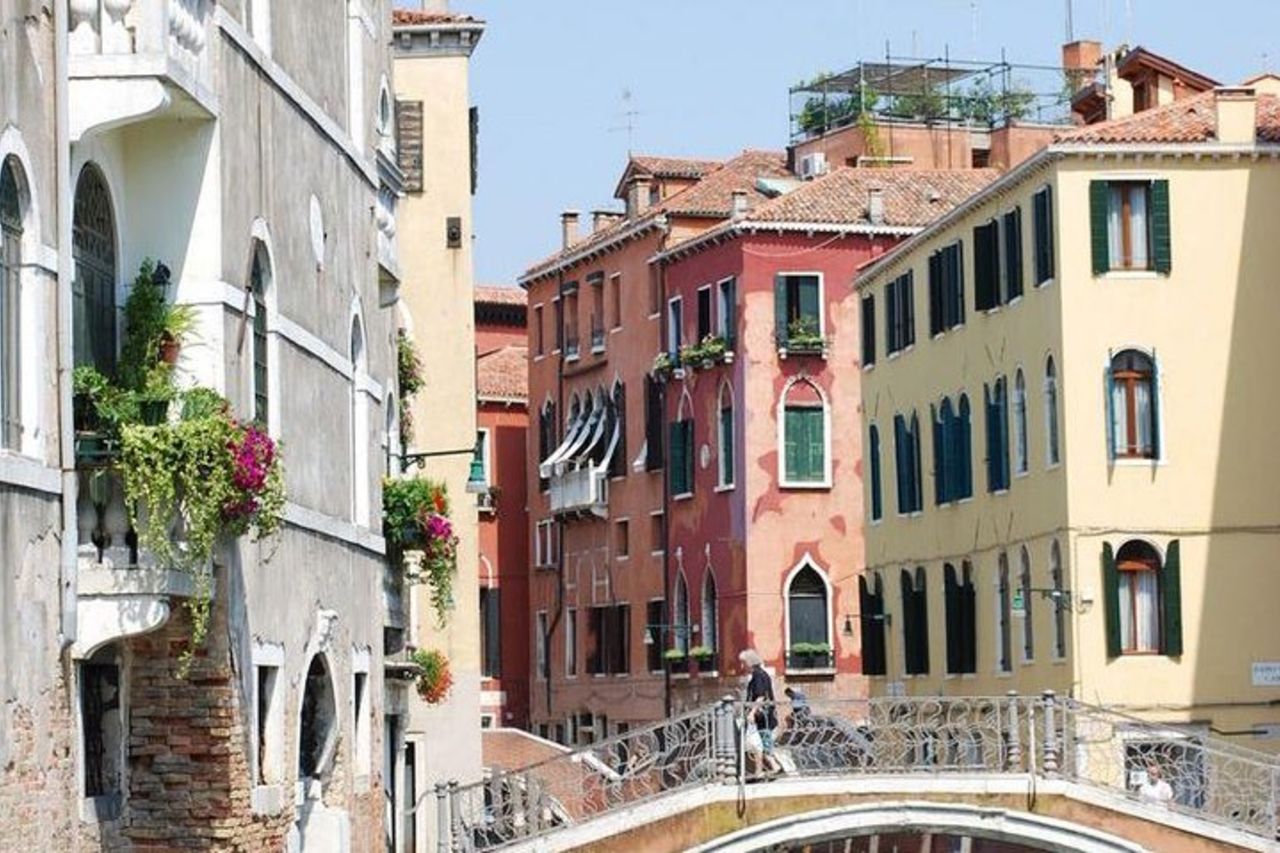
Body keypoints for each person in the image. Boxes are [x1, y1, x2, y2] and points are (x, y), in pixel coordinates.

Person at [739, 649, 780, 777]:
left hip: (762, 717)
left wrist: (752, 713)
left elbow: (760, 696)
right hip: (764, 716)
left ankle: (760, 771)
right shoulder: (761, 674)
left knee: (758, 744)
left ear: (749, 663)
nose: (742, 666)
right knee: (761, 744)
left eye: (743, 663)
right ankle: (772, 767)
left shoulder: (758, 675)